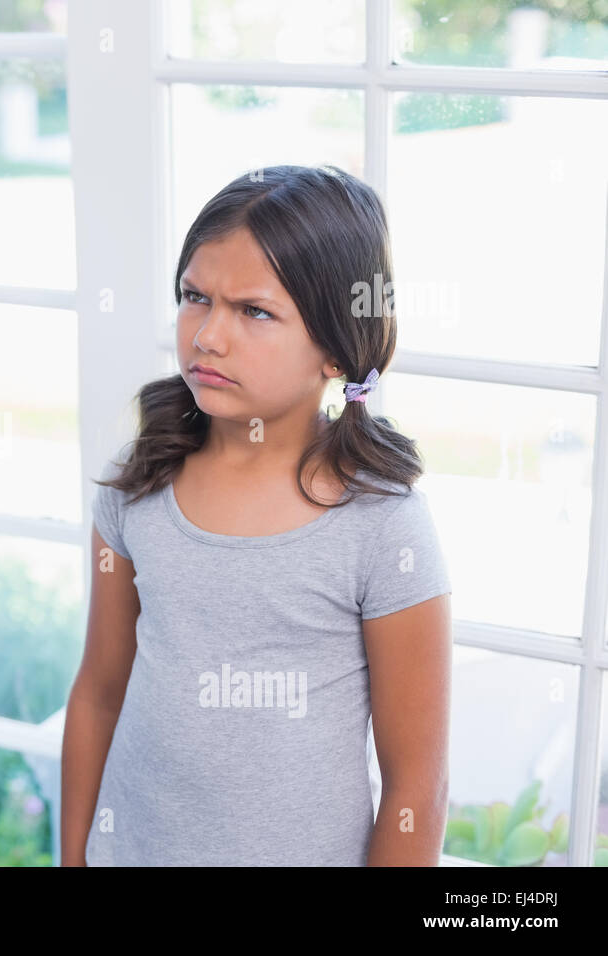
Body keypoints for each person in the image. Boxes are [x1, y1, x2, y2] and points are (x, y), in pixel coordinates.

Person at [62, 165, 453, 866]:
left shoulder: (383, 526)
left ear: (336, 346)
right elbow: (98, 693)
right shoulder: (138, 484)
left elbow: (415, 788)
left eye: (254, 311)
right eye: (194, 297)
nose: (208, 335)